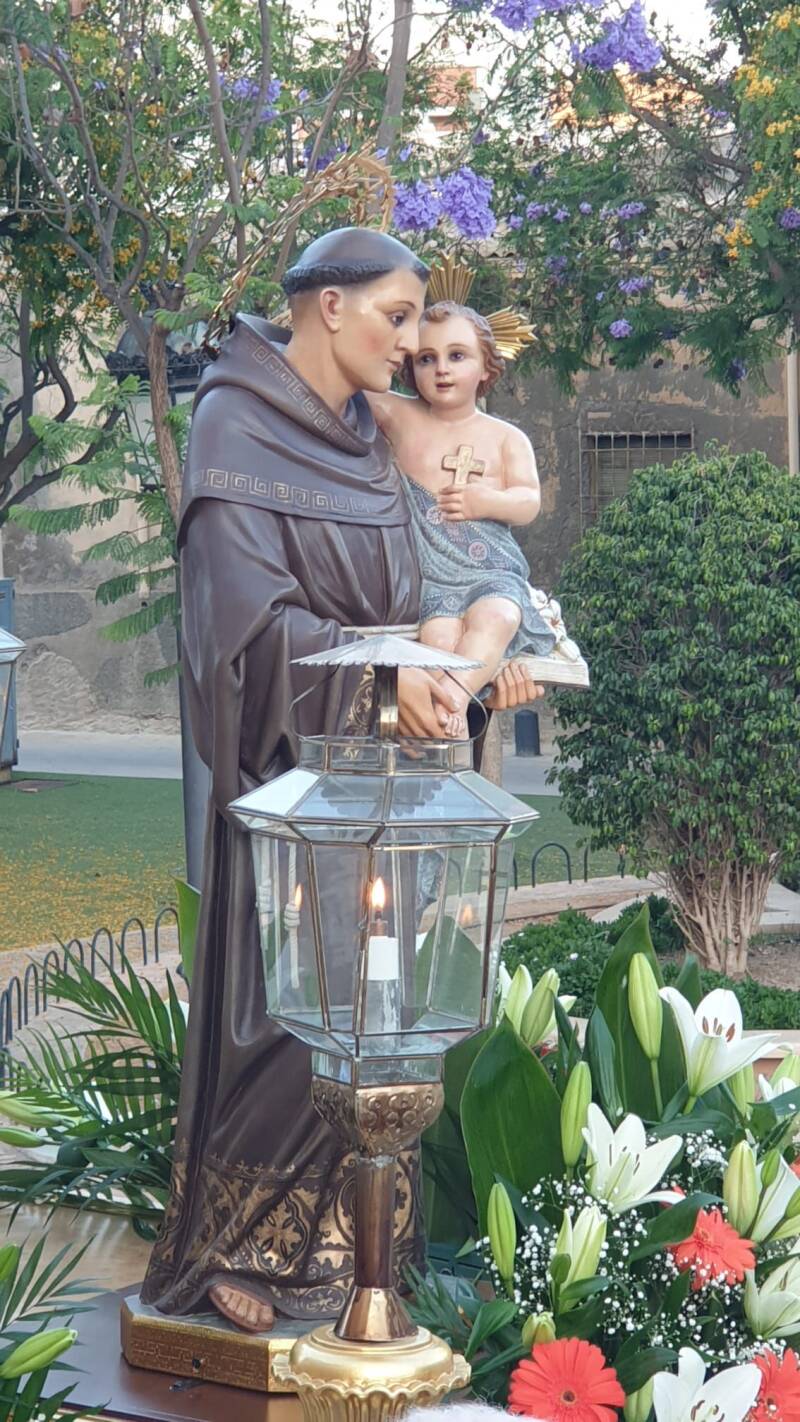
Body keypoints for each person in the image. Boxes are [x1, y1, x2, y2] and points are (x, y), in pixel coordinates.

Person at [140, 229, 542, 1336]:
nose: (412, 344)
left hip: (390, 799)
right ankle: (241, 1247)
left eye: (419, 322)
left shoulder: (373, 438)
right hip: (288, 798)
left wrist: (480, 670)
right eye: (397, 316)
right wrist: (381, 679)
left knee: (378, 1017)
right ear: (328, 306)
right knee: (284, 1017)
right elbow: (237, 633)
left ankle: (361, 1256)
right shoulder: (233, 424)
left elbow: (434, 586)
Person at [370, 300, 560, 736]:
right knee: (438, 637)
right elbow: (346, 380)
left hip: (490, 569)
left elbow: (529, 501)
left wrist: (485, 501)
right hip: (434, 574)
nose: (441, 369)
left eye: (457, 356)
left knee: (499, 618)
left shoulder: (506, 437)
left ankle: (452, 700)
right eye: (426, 358)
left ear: (487, 366)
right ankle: (435, 720)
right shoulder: (401, 416)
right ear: (408, 365)